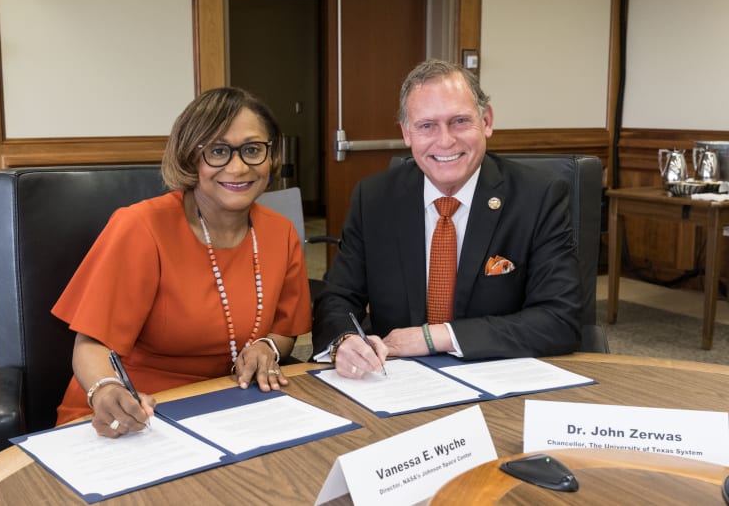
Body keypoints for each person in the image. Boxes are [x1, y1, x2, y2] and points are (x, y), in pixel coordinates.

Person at [53, 87, 312, 435]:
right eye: (218, 151)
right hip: (135, 412)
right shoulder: (140, 227)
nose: (238, 167)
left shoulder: (280, 233)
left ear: (272, 157)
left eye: (253, 150)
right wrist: (106, 389)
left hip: (229, 407)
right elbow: (91, 344)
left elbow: (284, 329)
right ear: (191, 158)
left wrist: (267, 348)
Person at [312, 59, 582, 377]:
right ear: (407, 133)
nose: (445, 141)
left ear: (487, 121)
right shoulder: (373, 198)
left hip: (498, 373)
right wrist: (344, 340)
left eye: (459, 121)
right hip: (397, 379)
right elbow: (338, 296)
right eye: (427, 126)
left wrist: (432, 337)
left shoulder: (539, 196)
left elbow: (559, 319)